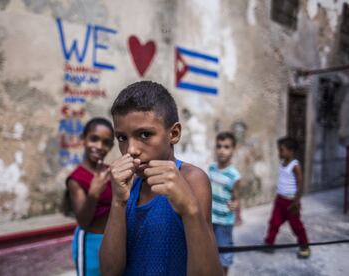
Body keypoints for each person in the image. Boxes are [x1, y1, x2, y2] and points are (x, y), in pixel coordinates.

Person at [99, 81, 223, 276]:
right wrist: (117, 202)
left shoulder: (192, 180)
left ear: (173, 134)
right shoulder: (126, 185)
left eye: (145, 134)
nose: (131, 150)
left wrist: (190, 210)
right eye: (122, 138)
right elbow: (108, 271)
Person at [65, 117, 115, 276]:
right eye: (94, 139)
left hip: (113, 238)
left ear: (111, 146)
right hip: (90, 241)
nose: (99, 146)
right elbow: (83, 221)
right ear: (83, 140)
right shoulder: (76, 178)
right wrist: (94, 193)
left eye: (106, 142)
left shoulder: (110, 172)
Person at [264, 136, 310, 258]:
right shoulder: (282, 163)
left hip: (291, 202)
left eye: (282, 150)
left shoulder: (295, 166)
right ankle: (269, 243)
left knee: (296, 226)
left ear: (291, 151)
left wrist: (296, 202)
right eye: (279, 149)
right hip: (280, 200)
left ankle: (304, 245)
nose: (279, 152)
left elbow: (300, 185)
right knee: (274, 222)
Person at [208, 132, 241, 275]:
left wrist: (236, 205)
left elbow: (236, 198)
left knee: (224, 252)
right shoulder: (211, 169)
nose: (222, 150)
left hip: (224, 221)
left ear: (233, 150)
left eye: (226, 147)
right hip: (210, 218)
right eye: (219, 146)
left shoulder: (234, 175)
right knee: (210, 250)